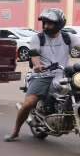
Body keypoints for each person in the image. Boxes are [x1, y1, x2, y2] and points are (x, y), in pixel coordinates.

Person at [5, 8, 80, 142]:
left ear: (59, 24)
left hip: (62, 75)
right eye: (44, 23)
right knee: (29, 103)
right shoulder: (37, 38)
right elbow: (34, 54)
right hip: (42, 75)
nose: (45, 26)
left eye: (49, 23)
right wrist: (37, 65)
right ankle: (15, 131)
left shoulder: (68, 37)